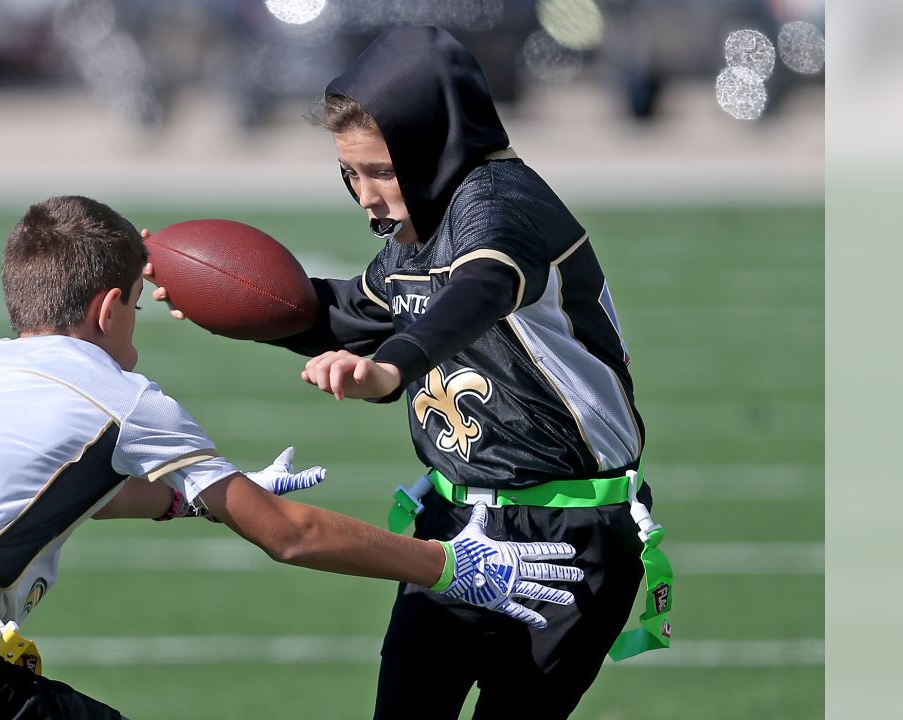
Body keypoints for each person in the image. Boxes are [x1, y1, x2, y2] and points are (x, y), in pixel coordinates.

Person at [0, 195, 586, 720]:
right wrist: (447, 565)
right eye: (138, 308)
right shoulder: (122, 395)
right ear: (112, 306)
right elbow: (288, 535)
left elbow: (64, 492)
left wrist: (188, 499)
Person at [149, 25, 671, 720]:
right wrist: (225, 303)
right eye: (351, 173)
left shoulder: (501, 205)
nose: (365, 195)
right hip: (453, 521)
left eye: (383, 171)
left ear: (436, 145)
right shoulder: (412, 237)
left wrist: (390, 370)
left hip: (565, 531)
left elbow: (476, 293)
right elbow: (343, 315)